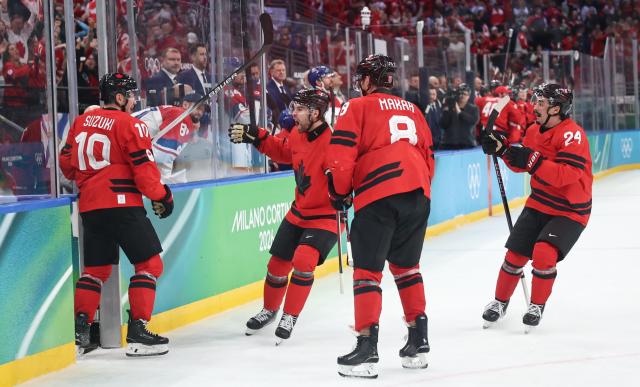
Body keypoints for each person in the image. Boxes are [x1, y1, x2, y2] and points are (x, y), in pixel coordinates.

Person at [325, 54, 435, 378]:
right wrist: (420, 189)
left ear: (369, 80)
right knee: (407, 268)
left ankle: (366, 349)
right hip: (418, 191)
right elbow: (429, 155)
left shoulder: (356, 107)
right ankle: (419, 339)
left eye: (362, 78)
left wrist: (339, 192)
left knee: (367, 272)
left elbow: (341, 155)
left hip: (378, 193)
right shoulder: (413, 109)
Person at [59, 73, 175, 357]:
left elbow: (67, 165)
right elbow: (147, 178)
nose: (135, 100)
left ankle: (81, 331)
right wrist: (164, 196)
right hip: (123, 206)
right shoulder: (131, 124)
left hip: (90, 207)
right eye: (131, 95)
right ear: (120, 98)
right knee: (150, 265)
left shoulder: (80, 122)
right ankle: (138, 332)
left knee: (95, 271)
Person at [228, 88, 338, 344]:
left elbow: (348, 175)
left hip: (325, 216)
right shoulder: (297, 134)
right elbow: (282, 151)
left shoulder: (334, 142)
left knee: (303, 260)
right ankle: (270, 309)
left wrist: (342, 186)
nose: (293, 113)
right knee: (277, 265)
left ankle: (289, 315)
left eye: (300, 109)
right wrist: (257, 136)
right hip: (298, 212)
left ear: (315, 112)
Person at [480, 83, 592, 332]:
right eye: (536, 101)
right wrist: (503, 150)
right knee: (515, 255)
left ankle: (536, 305)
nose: (535, 106)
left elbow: (567, 175)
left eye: (541, 103)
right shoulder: (532, 131)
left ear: (556, 108)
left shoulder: (572, 134)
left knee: (543, 253)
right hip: (540, 202)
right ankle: (500, 303)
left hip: (570, 209)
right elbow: (524, 164)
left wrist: (531, 160)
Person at [132, 92, 204, 183]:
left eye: (202, 110)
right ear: (185, 105)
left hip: (126, 137)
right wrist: (167, 183)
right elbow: (163, 156)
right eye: (198, 108)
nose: (200, 112)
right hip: (125, 137)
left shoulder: (177, 114)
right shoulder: (181, 115)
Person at [438, 83, 480, 149]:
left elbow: (473, 121)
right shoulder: (449, 107)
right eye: (459, 93)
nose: (461, 96)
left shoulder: (473, 108)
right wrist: (446, 111)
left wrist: (459, 112)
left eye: (464, 94)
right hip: (449, 144)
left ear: (468, 96)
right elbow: (443, 124)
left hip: (467, 143)